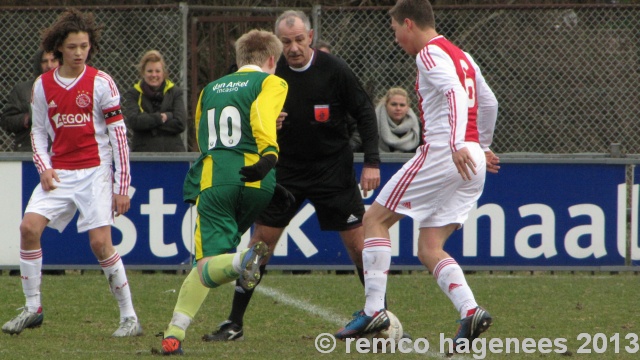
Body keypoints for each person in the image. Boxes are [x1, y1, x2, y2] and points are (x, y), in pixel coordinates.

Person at [203, 9, 381, 342]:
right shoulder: (266, 73)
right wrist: (267, 122)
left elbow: (365, 113)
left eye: (299, 39)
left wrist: (372, 161)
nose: (294, 47)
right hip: (285, 171)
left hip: (333, 170)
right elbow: (235, 109)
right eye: (286, 42)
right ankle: (235, 322)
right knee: (259, 246)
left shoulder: (335, 70)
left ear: (310, 37)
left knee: (360, 247)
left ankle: (379, 315)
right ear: (276, 44)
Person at [334, 0, 500, 353]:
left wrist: (456, 143)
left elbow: (454, 93)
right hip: (472, 158)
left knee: (374, 219)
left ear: (408, 23)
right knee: (429, 247)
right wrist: (479, 144)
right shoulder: (464, 56)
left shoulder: (428, 53)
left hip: (445, 152)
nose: (395, 38)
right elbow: (489, 103)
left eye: (395, 30)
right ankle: (470, 311)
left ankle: (373, 310)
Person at [1, 8, 142, 338]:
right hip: (61, 173)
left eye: (85, 46)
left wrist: (122, 185)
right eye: (73, 47)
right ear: (58, 49)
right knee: (28, 228)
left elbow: (119, 136)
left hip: (96, 173)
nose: (80, 53)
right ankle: (32, 307)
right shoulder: (42, 86)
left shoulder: (101, 82)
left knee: (100, 244)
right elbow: (37, 132)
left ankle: (129, 317)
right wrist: (45, 167)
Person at [159, 28, 288, 355]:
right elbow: (261, 116)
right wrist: (269, 157)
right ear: (272, 59)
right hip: (259, 181)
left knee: (207, 264)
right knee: (207, 266)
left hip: (218, 180)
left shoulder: (210, 90)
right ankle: (174, 333)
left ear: (239, 58)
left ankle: (244, 260)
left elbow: (204, 139)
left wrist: (268, 152)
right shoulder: (272, 81)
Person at [123, 50, 187, 152]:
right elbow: (134, 122)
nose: (154, 75)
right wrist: (165, 117)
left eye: (157, 71)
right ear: (143, 72)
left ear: (163, 73)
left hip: (173, 153)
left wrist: (148, 123)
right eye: (150, 71)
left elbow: (180, 124)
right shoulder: (133, 93)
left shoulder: (175, 92)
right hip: (143, 153)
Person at [1, 50, 58, 152]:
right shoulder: (22, 89)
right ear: (38, 64)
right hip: (30, 151)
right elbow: (6, 121)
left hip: (64, 152)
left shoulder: (70, 88)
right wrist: (27, 118)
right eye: (44, 61)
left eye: (53, 60)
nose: (49, 65)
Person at [375, 87, 420, 153]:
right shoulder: (373, 124)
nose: (398, 108)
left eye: (402, 105)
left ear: (408, 107)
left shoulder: (416, 126)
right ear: (386, 105)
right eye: (394, 104)